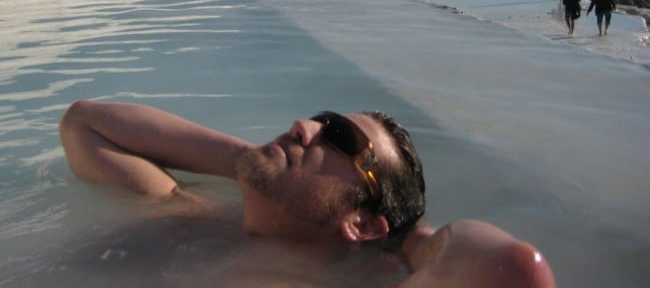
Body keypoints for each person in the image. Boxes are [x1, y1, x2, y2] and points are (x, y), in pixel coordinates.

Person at [59, 100, 556, 287]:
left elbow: (514, 271)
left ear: (362, 224)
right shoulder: (193, 216)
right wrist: (252, 165)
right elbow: (84, 124)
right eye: (318, 119)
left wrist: (406, 237)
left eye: (337, 137)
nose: (301, 125)